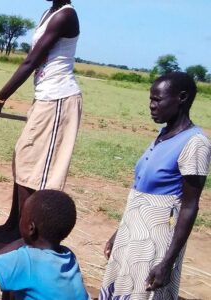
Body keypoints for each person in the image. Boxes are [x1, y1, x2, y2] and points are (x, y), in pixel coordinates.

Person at [100, 72, 211, 299]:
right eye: (151, 99)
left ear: (181, 97)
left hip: (156, 242)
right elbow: (139, 196)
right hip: (132, 234)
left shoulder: (195, 143)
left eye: (157, 100)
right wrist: (119, 233)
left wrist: (167, 262)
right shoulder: (163, 135)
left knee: (143, 292)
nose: (151, 106)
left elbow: (190, 206)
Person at [0, 0, 82, 242]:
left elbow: (31, 61)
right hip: (46, 97)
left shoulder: (65, 16)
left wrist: (0, 97)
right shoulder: (50, 13)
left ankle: (24, 234)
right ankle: (13, 225)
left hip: (58, 99)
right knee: (24, 158)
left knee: (37, 170)